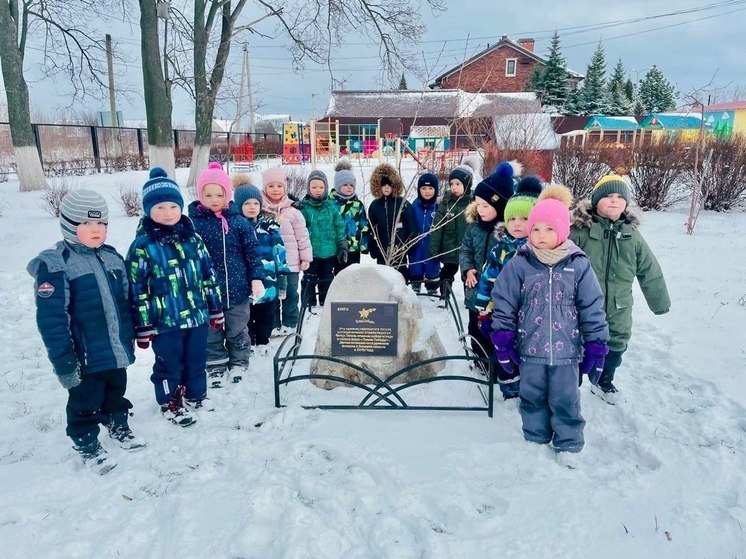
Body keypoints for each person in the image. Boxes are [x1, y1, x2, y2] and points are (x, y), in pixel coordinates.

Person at [28, 190, 144, 474]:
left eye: (101, 224)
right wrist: (65, 361)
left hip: (115, 348)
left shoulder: (113, 258)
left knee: (116, 389)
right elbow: (52, 319)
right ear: (69, 225)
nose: (96, 230)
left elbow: (128, 301)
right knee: (85, 400)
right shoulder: (56, 265)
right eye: (87, 224)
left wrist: (137, 331)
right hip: (85, 355)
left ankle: (118, 422)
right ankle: (86, 440)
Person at [491, 185, 609, 457]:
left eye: (549, 229)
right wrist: (503, 339)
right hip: (530, 350)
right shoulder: (520, 263)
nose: (541, 236)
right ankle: (535, 438)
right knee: (531, 397)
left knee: (566, 399)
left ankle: (568, 443)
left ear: (563, 231)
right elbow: (505, 302)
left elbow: (592, 306)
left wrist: (596, 344)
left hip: (567, 352)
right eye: (535, 229)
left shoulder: (578, 264)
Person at [127, 167, 223, 427]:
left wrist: (215, 308)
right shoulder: (143, 246)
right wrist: (143, 325)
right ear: (148, 210)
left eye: (173, 206)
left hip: (196, 315)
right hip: (164, 322)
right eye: (160, 207)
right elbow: (137, 289)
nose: (168, 213)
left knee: (196, 358)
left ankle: (196, 394)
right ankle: (170, 401)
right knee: (169, 363)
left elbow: (208, 274)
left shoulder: (193, 239)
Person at [570, 174, 670, 404]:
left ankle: (604, 380)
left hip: (619, 305)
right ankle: (570, 381)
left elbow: (649, 269)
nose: (614, 201)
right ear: (595, 202)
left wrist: (659, 302)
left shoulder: (632, 236)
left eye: (619, 197)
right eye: (607, 196)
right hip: (581, 304)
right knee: (575, 343)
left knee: (616, 343)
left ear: (626, 203)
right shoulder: (580, 232)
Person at [188, 162, 264, 386]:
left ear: (227, 195)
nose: (213, 199)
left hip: (237, 289)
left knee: (237, 328)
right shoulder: (193, 225)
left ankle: (239, 361)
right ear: (200, 195)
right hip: (206, 293)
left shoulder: (238, 222)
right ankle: (216, 363)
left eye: (219, 194)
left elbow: (252, 252)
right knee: (211, 332)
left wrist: (256, 278)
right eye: (208, 194)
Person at [473, 176, 543, 398]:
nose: (517, 223)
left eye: (524, 218)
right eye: (511, 218)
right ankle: (509, 386)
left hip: (535, 317)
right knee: (503, 350)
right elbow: (487, 281)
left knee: (530, 354)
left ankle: (531, 388)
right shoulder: (500, 250)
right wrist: (484, 311)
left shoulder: (543, 251)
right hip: (503, 315)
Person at [459, 163, 516, 365]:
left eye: (485, 206)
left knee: (494, 329)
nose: (480, 210)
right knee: (474, 326)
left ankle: (495, 364)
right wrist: (467, 270)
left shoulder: (507, 234)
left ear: (499, 205)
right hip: (475, 290)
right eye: (478, 205)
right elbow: (465, 249)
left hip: (497, 294)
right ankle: (479, 360)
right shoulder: (474, 227)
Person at [233, 177, 290, 356]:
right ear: (238, 205)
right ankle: (249, 341)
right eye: (247, 203)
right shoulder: (235, 227)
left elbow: (279, 251)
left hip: (268, 281)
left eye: (256, 203)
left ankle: (263, 340)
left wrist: (282, 276)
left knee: (266, 314)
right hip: (244, 282)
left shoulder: (270, 226)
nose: (252, 207)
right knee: (246, 315)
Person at [261, 166, 312, 335]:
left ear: (285, 188)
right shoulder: (260, 211)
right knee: (273, 294)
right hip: (270, 265)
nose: (275, 190)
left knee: (291, 293)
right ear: (265, 188)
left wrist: (305, 258)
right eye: (271, 186)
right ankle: (273, 324)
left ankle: (291, 323)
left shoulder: (293, 212)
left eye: (279, 186)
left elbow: (302, 237)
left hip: (291, 263)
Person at [299, 170, 347, 308]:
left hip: (329, 251)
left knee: (327, 278)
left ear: (326, 188)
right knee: (309, 279)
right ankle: (309, 302)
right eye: (314, 187)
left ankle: (326, 301)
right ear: (308, 188)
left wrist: (342, 245)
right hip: (311, 253)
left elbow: (339, 226)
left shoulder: (331, 207)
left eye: (321, 187)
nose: (318, 190)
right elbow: (299, 229)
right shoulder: (304, 208)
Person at [428, 160, 477, 294]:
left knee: (468, 274)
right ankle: (444, 295)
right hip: (449, 248)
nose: (454, 187)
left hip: (468, 250)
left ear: (466, 185)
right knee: (447, 273)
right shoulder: (446, 204)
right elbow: (437, 228)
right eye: (451, 184)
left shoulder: (473, 204)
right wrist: (434, 250)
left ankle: (469, 296)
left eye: (458, 184)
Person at [368, 162, 416, 279]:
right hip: (382, 252)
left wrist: (407, 246)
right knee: (383, 280)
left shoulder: (402, 204)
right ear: (378, 185)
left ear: (394, 185)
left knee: (400, 278)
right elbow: (371, 229)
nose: (386, 187)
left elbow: (411, 226)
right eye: (383, 185)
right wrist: (373, 248)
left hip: (399, 252)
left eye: (389, 185)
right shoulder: (374, 206)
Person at [329, 160, 369, 275]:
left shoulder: (357, 204)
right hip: (336, 248)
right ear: (338, 186)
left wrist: (364, 246)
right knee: (338, 274)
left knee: (354, 274)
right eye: (345, 185)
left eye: (351, 185)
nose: (349, 188)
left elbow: (364, 226)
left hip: (354, 247)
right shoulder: (330, 204)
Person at [409, 172, 441, 295]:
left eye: (430, 188)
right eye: (423, 188)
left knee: (432, 266)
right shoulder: (414, 206)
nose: (427, 191)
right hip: (416, 244)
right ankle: (415, 286)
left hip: (432, 245)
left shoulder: (438, 207)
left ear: (435, 189)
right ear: (419, 190)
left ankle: (432, 288)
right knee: (415, 265)